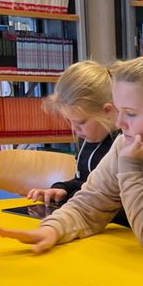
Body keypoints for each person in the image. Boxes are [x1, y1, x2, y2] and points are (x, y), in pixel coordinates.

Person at [0, 57, 143, 254]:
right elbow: (89, 206)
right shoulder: (125, 144)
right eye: (118, 111)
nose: (119, 124)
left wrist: (130, 165)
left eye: (130, 113)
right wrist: (51, 230)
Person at [28, 60, 121, 217]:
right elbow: (83, 181)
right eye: (69, 121)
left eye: (80, 122)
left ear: (108, 111)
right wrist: (63, 188)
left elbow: (111, 202)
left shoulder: (125, 146)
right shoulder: (88, 138)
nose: (74, 129)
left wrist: (73, 198)